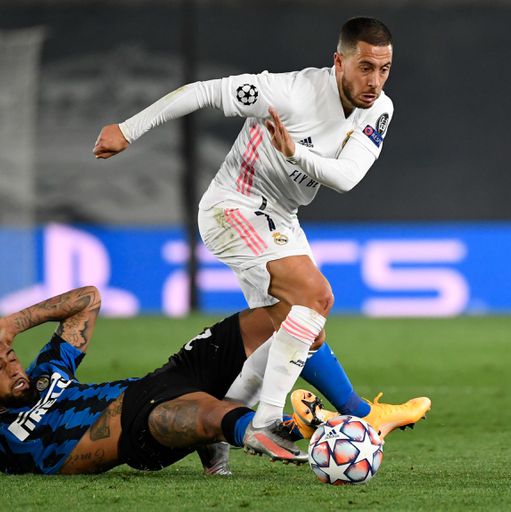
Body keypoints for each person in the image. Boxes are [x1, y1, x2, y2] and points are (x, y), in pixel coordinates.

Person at [92, 16, 430, 462]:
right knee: (314, 296)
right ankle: (273, 422)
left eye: (384, 69)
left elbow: (346, 178)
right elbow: (202, 92)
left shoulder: (379, 108)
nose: (375, 81)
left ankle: (217, 431)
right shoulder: (287, 92)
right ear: (338, 62)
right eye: (365, 67)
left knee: (298, 328)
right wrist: (127, 130)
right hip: (232, 206)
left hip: (281, 217)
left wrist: (295, 152)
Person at [0, 285, 429, 476]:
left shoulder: (47, 373)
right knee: (192, 416)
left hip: (162, 380)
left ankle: (358, 413)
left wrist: (11, 326)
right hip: (134, 437)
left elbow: (88, 298)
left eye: (9, 357)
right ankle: (259, 430)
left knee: (291, 313)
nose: (13, 367)